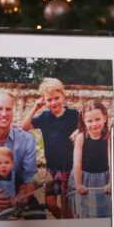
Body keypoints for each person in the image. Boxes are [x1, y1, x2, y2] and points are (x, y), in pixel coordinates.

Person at [22, 78, 80, 218]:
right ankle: (62, 220)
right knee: (50, 203)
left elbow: (85, 127)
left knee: (67, 204)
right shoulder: (45, 117)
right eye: (49, 100)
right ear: (44, 101)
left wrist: (79, 131)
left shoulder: (73, 115)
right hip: (51, 168)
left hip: (69, 167)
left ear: (63, 96)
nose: (53, 102)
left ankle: (68, 226)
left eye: (56, 98)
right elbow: (24, 127)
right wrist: (35, 107)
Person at [71, 100, 111, 219]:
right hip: (85, 178)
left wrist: (111, 183)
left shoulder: (109, 137)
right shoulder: (81, 138)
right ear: (84, 121)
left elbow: (112, 162)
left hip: (104, 178)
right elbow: (77, 163)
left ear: (104, 118)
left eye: (97, 119)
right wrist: (78, 184)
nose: (94, 124)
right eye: (90, 121)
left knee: (105, 211)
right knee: (85, 212)